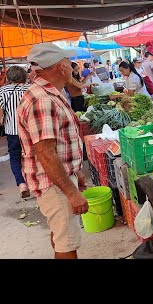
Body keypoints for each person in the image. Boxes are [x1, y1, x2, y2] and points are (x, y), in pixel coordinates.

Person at [17, 43, 89, 259]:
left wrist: (75, 172)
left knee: (60, 235)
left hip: (57, 178)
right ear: (60, 68)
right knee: (66, 242)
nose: (70, 65)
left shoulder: (48, 93)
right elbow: (46, 154)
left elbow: (57, 145)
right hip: (53, 184)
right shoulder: (43, 100)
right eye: (68, 62)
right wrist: (71, 192)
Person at [0, 66, 30, 198]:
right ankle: (37, 182)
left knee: (15, 157)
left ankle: (22, 183)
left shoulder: (2, 91)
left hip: (12, 131)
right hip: (31, 130)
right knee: (34, 155)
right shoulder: (30, 89)